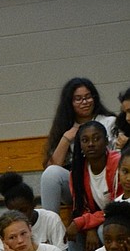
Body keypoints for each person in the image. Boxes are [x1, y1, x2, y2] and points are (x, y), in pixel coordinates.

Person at [40, 77, 114, 214]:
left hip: (106, 182)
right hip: (79, 186)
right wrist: (66, 139)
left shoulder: (109, 122)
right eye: (78, 99)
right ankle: (50, 226)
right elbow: (51, 169)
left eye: (88, 97)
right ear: (70, 103)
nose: (85, 102)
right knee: (50, 174)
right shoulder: (64, 127)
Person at [66, 119, 121, 251]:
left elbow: (119, 206)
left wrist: (86, 222)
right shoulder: (76, 172)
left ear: (106, 141)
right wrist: (88, 226)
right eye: (85, 140)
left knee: (104, 230)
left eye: (96, 138)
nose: (91, 144)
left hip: (121, 217)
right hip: (98, 219)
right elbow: (81, 207)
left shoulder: (119, 163)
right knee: (74, 233)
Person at [0, 171, 67, 251]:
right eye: (15, 212)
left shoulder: (51, 219)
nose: (20, 216)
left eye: (24, 210)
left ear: (33, 204)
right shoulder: (6, 227)